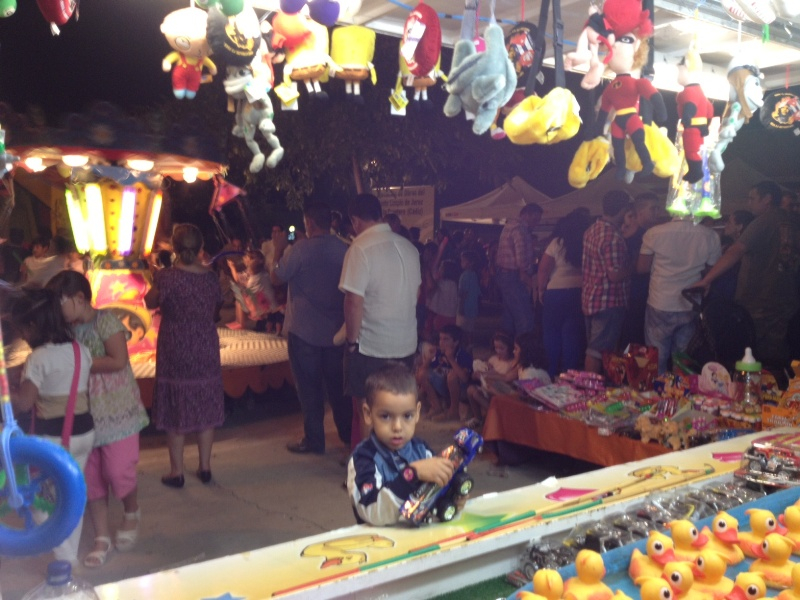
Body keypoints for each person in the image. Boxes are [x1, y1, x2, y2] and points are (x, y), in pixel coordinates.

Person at [47, 270, 149, 568]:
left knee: (119, 471)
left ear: (79, 298)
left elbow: (118, 360)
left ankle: (131, 510)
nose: (58, 311)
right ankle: (101, 537)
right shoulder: (65, 330)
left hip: (117, 410)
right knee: (90, 478)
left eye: (60, 303)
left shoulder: (105, 322)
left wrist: (80, 363)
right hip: (83, 413)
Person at [9, 287, 94, 566]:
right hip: (84, 433)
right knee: (72, 494)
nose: (23, 335)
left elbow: (24, 404)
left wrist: (8, 390)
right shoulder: (81, 350)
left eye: (23, 329)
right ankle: (69, 556)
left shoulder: (38, 358)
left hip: (54, 440)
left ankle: (64, 560)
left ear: (34, 325)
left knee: (39, 502)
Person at [145, 223, 224, 488]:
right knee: (205, 400)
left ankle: (177, 471)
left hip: (175, 344)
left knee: (175, 404)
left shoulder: (166, 277)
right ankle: (205, 467)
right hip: (204, 343)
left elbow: (150, 302)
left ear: (175, 248)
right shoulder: (210, 278)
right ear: (201, 247)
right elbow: (215, 310)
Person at [340, 194, 421, 445]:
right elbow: (417, 294)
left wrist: (351, 342)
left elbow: (353, 302)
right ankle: (396, 457)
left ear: (355, 221)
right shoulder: (409, 248)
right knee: (397, 407)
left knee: (368, 409)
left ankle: (368, 463)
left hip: (372, 346)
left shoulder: (360, 249)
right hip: (406, 343)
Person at [270, 203, 352, 455]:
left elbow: (276, 277)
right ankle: (348, 436)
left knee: (309, 389)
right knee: (338, 388)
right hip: (336, 332)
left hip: (304, 331)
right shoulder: (345, 249)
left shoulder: (299, 250)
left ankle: (315, 440)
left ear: (309, 222)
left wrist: (278, 249)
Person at [695, 181, 800, 368]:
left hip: (760, 303)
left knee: (752, 355)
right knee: (780, 354)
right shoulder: (793, 221)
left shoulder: (764, 221)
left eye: (752, 199)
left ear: (767, 199)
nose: (748, 203)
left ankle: (758, 385)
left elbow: (736, 251)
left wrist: (707, 279)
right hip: (786, 301)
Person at [346, 362, 462, 526]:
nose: (397, 427)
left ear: (417, 413)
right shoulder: (363, 459)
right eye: (386, 416)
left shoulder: (422, 450)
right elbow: (371, 511)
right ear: (368, 414)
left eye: (407, 416)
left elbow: (434, 494)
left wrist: (453, 497)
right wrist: (411, 475)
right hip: (380, 539)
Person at [636, 215, 721, 373]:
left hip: (660, 301)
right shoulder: (710, 235)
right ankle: (681, 387)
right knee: (683, 359)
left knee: (656, 358)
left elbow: (642, 268)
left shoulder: (654, 233)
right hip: (690, 302)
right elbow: (712, 271)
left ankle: (657, 387)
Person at [537, 210, 592, 379]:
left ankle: (551, 371)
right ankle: (568, 375)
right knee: (572, 335)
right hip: (579, 291)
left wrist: (540, 290)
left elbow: (544, 269)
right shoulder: (588, 242)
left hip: (556, 292)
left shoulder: (557, 243)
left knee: (552, 333)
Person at [582, 190, 632, 374]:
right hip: (609, 301)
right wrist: (634, 267)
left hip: (591, 298)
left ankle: (591, 384)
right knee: (598, 351)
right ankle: (590, 386)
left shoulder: (592, 230)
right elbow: (615, 275)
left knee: (594, 347)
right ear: (622, 210)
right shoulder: (612, 237)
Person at [620, 193, 661, 349]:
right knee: (634, 335)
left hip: (642, 291)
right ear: (640, 212)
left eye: (658, 208)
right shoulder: (641, 235)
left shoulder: (641, 234)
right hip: (636, 292)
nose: (657, 212)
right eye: (653, 209)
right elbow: (639, 267)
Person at [494, 203, 543, 337]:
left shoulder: (510, 225)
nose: (537, 223)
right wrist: (528, 276)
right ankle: (523, 347)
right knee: (525, 318)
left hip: (505, 274)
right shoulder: (520, 229)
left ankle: (506, 347)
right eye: (535, 219)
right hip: (513, 276)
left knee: (509, 317)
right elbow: (521, 259)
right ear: (526, 215)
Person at [417, 324, 472, 421]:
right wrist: (429, 358)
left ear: (455, 342)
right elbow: (419, 376)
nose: (441, 342)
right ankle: (436, 407)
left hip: (461, 390)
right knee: (422, 373)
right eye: (440, 339)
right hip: (444, 387)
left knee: (452, 376)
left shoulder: (463, 354)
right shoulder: (439, 353)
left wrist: (451, 359)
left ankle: (453, 411)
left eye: (446, 339)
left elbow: (464, 378)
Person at [465, 331, 517, 428]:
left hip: (500, 392)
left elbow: (506, 379)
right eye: (496, 348)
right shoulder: (493, 359)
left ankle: (497, 418)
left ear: (510, 347)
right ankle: (478, 418)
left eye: (501, 348)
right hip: (488, 389)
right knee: (471, 390)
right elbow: (484, 370)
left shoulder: (512, 363)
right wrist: (478, 373)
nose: (498, 351)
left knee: (480, 391)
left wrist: (488, 375)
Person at [228, 249, 277, 331]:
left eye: (247, 257)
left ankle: (241, 323)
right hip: (265, 300)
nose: (244, 258)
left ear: (251, 261)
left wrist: (232, 267)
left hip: (261, 302)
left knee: (239, 301)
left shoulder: (253, 276)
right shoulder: (263, 272)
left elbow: (238, 279)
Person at [457, 251, 481, 344]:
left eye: (463, 261)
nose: (461, 263)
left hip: (465, 307)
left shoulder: (464, 276)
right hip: (473, 308)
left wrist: (461, 306)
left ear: (470, 263)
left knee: (462, 329)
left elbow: (463, 293)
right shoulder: (474, 275)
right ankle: (470, 345)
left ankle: (463, 345)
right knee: (470, 330)